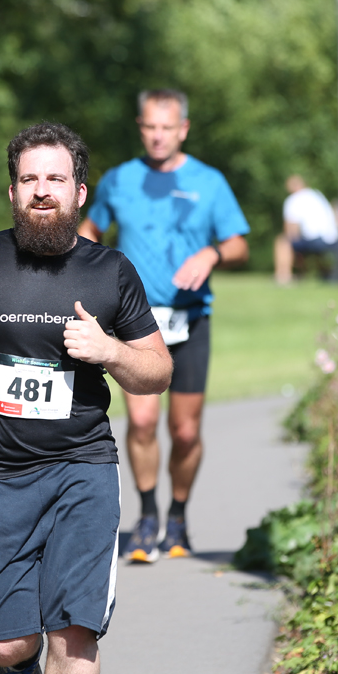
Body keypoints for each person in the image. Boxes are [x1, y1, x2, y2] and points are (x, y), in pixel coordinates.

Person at [0, 122, 172, 674]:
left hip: (83, 467)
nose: (42, 190)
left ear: (80, 192)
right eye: (29, 179)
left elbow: (157, 370)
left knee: (74, 631)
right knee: (7, 643)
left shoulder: (111, 271)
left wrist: (112, 352)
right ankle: (20, 669)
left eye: (56, 178)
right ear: (12, 193)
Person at [79, 88, 250, 564]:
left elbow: (239, 244)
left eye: (166, 127)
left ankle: (178, 515)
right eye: (149, 127)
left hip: (190, 320)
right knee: (140, 422)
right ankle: (148, 516)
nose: (157, 136)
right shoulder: (119, 180)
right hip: (134, 321)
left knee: (186, 431)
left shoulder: (209, 182)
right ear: (141, 127)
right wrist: (86, 267)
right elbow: (92, 230)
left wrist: (212, 252)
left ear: (183, 129)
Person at [273, 174, 338, 284]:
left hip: (314, 239)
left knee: (282, 241)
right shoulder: (317, 195)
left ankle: (283, 275)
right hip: (332, 238)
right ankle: (325, 272)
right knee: (304, 244)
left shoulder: (294, 199)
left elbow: (290, 230)